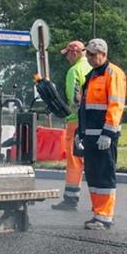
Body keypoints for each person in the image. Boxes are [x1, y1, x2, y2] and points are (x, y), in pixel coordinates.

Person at [76, 37, 127, 230]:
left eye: (92, 54)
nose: (89, 57)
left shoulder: (113, 74)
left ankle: (105, 216)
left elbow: (116, 106)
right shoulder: (92, 75)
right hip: (90, 136)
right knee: (93, 175)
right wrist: (80, 134)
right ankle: (98, 213)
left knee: (104, 175)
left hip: (105, 137)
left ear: (103, 54)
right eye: (87, 54)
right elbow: (84, 107)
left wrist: (108, 133)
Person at [52, 40, 93, 211]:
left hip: (76, 122)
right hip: (93, 121)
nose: (67, 58)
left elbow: (72, 100)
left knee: (74, 160)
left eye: (67, 54)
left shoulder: (73, 71)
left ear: (74, 53)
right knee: (90, 160)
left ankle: (70, 198)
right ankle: (97, 201)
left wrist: (65, 114)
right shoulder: (92, 69)